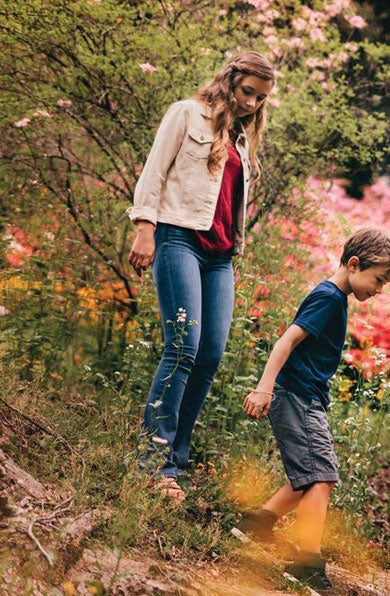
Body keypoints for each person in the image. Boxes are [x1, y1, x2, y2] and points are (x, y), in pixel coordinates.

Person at [126, 51, 276, 501]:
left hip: (220, 257)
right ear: (230, 80)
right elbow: (155, 170)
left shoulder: (241, 140)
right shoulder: (186, 113)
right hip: (178, 240)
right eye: (247, 92)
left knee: (209, 354)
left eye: (261, 98)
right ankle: (153, 464)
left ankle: (176, 460)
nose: (252, 103)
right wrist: (144, 228)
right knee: (183, 346)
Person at [235, 227, 390, 596]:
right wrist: (264, 388)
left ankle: (254, 525)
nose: (380, 290)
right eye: (378, 280)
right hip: (296, 395)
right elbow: (286, 341)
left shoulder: (335, 298)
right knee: (322, 477)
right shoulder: (328, 296)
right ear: (354, 264)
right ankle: (306, 565)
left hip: (305, 396)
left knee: (310, 475)